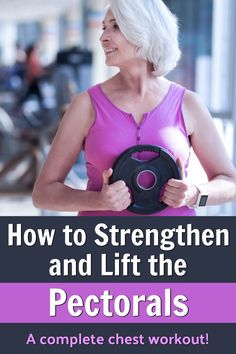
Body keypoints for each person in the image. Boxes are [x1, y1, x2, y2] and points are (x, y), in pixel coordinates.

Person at [32, 0, 236, 216]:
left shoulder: (188, 104)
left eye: (116, 26)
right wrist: (98, 200)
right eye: (104, 27)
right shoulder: (86, 105)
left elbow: (230, 182)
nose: (103, 37)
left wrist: (194, 194)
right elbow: (43, 193)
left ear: (145, 29)